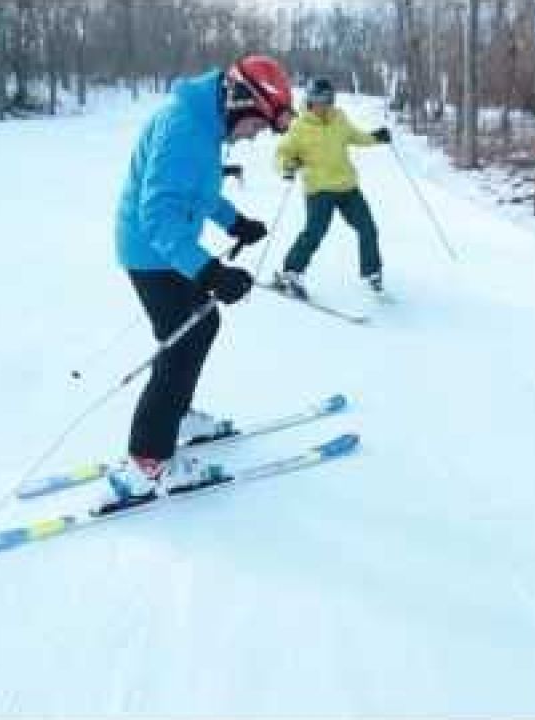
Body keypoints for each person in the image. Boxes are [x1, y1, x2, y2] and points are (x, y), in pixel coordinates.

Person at [103, 55, 294, 511]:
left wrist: (235, 222)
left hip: (167, 250)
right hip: (152, 254)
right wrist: (209, 271)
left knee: (200, 327)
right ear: (239, 101)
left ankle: (178, 417)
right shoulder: (185, 130)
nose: (253, 137)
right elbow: (158, 215)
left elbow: (201, 191)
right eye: (256, 126)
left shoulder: (204, 124)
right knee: (182, 342)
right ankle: (146, 463)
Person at [272, 77, 391, 298]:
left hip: (347, 186)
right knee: (314, 232)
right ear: (310, 100)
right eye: (319, 100)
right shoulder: (299, 126)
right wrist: (287, 167)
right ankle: (290, 272)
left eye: (328, 100)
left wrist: (376, 137)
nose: (324, 105)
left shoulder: (339, 118)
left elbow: (356, 136)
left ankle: (372, 272)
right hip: (319, 190)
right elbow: (282, 154)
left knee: (367, 227)